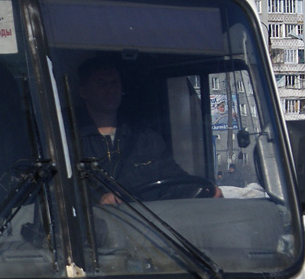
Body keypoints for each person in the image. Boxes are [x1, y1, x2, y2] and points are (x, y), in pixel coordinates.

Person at [73, 55, 208, 202]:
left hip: (146, 222)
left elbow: (174, 178)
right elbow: (63, 190)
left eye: (114, 83)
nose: (110, 89)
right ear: (84, 92)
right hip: (94, 223)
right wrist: (98, 199)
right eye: (102, 84)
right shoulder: (68, 140)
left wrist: (201, 189)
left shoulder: (146, 138)